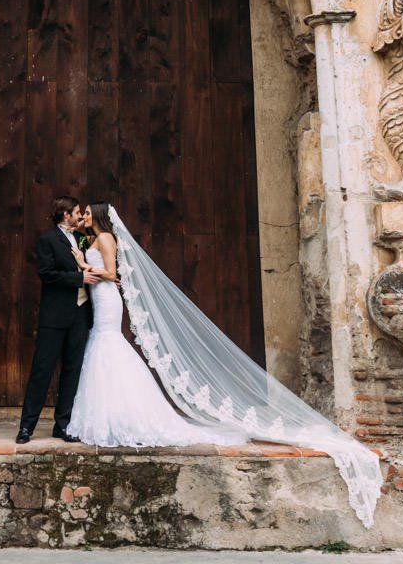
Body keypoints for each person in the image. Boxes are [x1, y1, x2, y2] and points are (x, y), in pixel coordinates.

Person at [65, 203, 383, 530]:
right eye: (83, 213)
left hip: (106, 297)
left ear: (100, 216)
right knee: (101, 345)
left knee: (108, 344)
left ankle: (125, 414)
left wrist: (85, 272)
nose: (84, 216)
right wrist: (81, 264)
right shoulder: (90, 240)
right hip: (100, 298)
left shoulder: (105, 238)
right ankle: (112, 413)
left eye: (88, 212)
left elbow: (113, 274)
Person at [15, 196, 100, 445]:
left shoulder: (84, 239)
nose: (80, 216)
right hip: (55, 316)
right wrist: (79, 279)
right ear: (65, 215)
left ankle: (63, 425)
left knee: (72, 371)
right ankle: (26, 426)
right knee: (42, 370)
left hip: (81, 313)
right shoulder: (47, 240)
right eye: (76, 212)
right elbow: (47, 274)